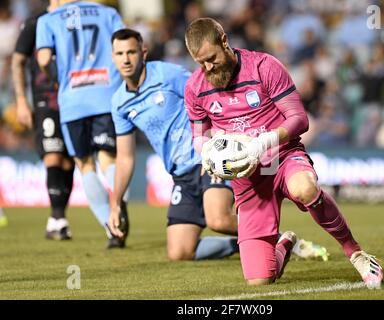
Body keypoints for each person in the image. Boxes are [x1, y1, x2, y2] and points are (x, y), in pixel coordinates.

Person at [184, 18, 383, 287]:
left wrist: (263, 142)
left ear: (224, 41)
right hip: (248, 177)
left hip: (283, 156)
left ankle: (356, 253)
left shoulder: (264, 67)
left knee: (304, 188)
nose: (207, 67)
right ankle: (285, 243)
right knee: (260, 280)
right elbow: (199, 135)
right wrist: (206, 153)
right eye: (200, 62)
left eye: (211, 58)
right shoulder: (195, 88)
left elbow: (299, 119)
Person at [108, 29, 329, 262]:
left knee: (219, 219)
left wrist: (216, 146)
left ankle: (273, 242)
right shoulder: (119, 103)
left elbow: (211, 95)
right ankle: (254, 242)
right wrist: (116, 204)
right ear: (112, 57)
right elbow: (125, 158)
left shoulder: (167, 75)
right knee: (179, 252)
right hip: (180, 174)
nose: (125, 59)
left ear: (143, 52)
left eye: (131, 52)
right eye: (119, 53)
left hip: (210, 160)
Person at [36, 0, 129, 248]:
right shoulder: (108, 13)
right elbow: (126, 45)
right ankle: (121, 199)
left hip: (73, 99)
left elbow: (44, 59)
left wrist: (60, 78)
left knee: (85, 164)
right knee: (109, 159)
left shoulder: (48, 20)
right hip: (106, 95)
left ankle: (111, 229)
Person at [12, 1, 74, 240]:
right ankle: (58, 216)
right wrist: (20, 100)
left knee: (69, 161)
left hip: (73, 99)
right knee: (53, 154)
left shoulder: (76, 22)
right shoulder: (35, 23)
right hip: (45, 99)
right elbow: (18, 61)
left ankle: (56, 218)